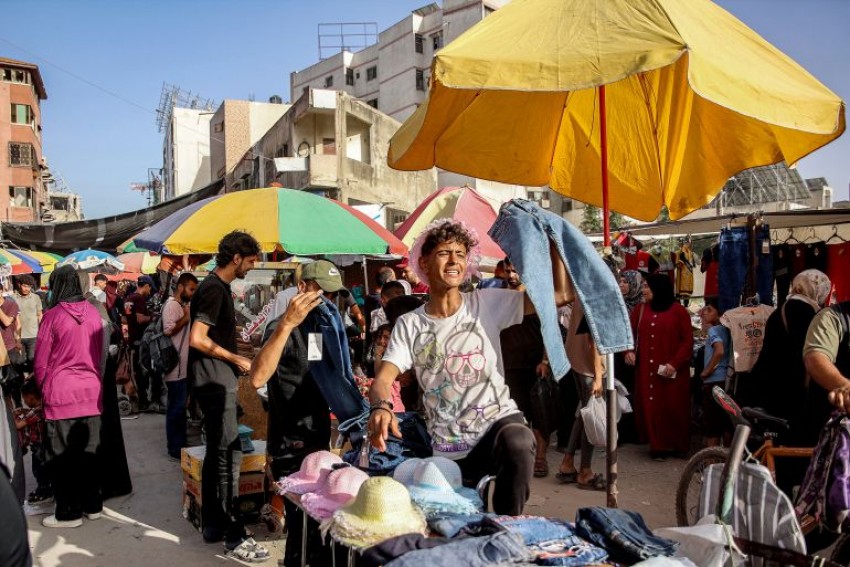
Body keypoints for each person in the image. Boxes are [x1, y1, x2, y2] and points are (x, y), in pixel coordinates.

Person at [368, 219, 573, 515]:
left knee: (518, 440)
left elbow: (560, 296)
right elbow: (383, 378)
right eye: (444, 253)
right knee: (459, 526)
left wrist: (554, 244)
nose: (454, 261)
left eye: (461, 254)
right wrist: (380, 407)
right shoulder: (410, 324)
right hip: (449, 446)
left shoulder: (486, 302)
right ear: (424, 263)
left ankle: (506, 526)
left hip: (496, 422)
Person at [249, 260, 347, 567]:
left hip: (318, 438)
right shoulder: (279, 326)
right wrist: (288, 324)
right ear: (302, 289)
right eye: (324, 294)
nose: (330, 302)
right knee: (300, 524)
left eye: (334, 296)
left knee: (316, 527)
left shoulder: (325, 326)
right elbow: (257, 377)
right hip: (289, 440)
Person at [188, 231, 269, 561]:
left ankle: (212, 525)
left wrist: (237, 343)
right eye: (250, 261)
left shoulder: (215, 288)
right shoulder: (213, 289)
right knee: (227, 456)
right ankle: (234, 536)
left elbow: (211, 334)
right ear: (236, 258)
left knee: (219, 452)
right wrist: (235, 358)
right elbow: (197, 338)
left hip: (214, 380)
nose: (251, 267)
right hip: (215, 382)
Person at [35, 265, 105, 528]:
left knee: (62, 458)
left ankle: (69, 513)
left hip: (61, 393)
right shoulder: (94, 313)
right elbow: (99, 357)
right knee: (89, 453)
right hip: (91, 391)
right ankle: (93, 505)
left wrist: (44, 389)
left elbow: (41, 363)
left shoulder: (52, 316)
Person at [751, 270, 831, 446]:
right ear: (818, 291)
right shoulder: (810, 314)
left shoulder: (780, 310)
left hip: (769, 389)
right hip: (791, 394)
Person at [624, 273, 693, 460]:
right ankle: (658, 446)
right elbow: (628, 332)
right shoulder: (640, 309)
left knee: (673, 406)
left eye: (647, 287)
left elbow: (687, 341)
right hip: (647, 369)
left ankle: (678, 445)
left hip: (673, 372)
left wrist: (674, 363)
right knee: (651, 406)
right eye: (644, 286)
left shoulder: (678, 311)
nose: (644, 290)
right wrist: (628, 351)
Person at [556, 300, 605, 490]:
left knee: (584, 413)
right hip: (588, 364)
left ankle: (568, 462)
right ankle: (585, 471)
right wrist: (598, 376)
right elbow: (595, 339)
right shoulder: (596, 292)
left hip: (578, 358)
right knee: (590, 416)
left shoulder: (583, 287)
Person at [161, 273, 199, 460]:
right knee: (176, 409)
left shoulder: (179, 305)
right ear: (181, 287)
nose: (192, 293)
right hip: (175, 368)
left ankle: (179, 444)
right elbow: (168, 330)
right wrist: (187, 317)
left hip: (181, 367)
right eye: (191, 289)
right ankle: (175, 448)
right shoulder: (172, 305)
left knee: (179, 407)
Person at [698, 297, 731, 448]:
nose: (705, 312)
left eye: (709, 310)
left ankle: (711, 462)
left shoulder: (713, 330)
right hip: (726, 381)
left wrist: (706, 371)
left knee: (712, 426)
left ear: (718, 315)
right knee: (725, 423)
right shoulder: (728, 330)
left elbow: (719, 351)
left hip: (713, 382)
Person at [14, 379, 51, 504]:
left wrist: (14, 416)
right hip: (42, 445)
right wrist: (23, 412)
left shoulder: (36, 411)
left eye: (24, 399)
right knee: (42, 469)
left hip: (39, 447)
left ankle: (44, 491)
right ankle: (44, 489)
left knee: (39, 470)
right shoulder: (40, 408)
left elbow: (19, 425)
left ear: (30, 397)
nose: (24, 402)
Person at [125, 275, 155, 411]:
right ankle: (143, 402)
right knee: (142, 371)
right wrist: (153, 317)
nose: (150, 291)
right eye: (150, 288)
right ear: (146, 286)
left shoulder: (129, 299)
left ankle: (138, 400)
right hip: (139, 340)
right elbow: (140, 319)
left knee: (136, 371)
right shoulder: (139, 299)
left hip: (132, 339)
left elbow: (125, 319)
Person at [13, 275, 41, 377]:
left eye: (29, 286)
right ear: (19, 284)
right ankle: (20, 383)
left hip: (33, 335)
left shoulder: (36, 298)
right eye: (25, 286)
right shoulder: (12, 298)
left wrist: (41, 331)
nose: (27, 289)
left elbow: (39, 315)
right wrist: (16, 338)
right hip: (17, 336)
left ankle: (32, 381)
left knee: (32, 359)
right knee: (19, 361)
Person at [363, 267, 396, 334]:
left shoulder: (369, 298)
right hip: (379, 341)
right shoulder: (381, 300)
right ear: (388, 281)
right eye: (394, 279)